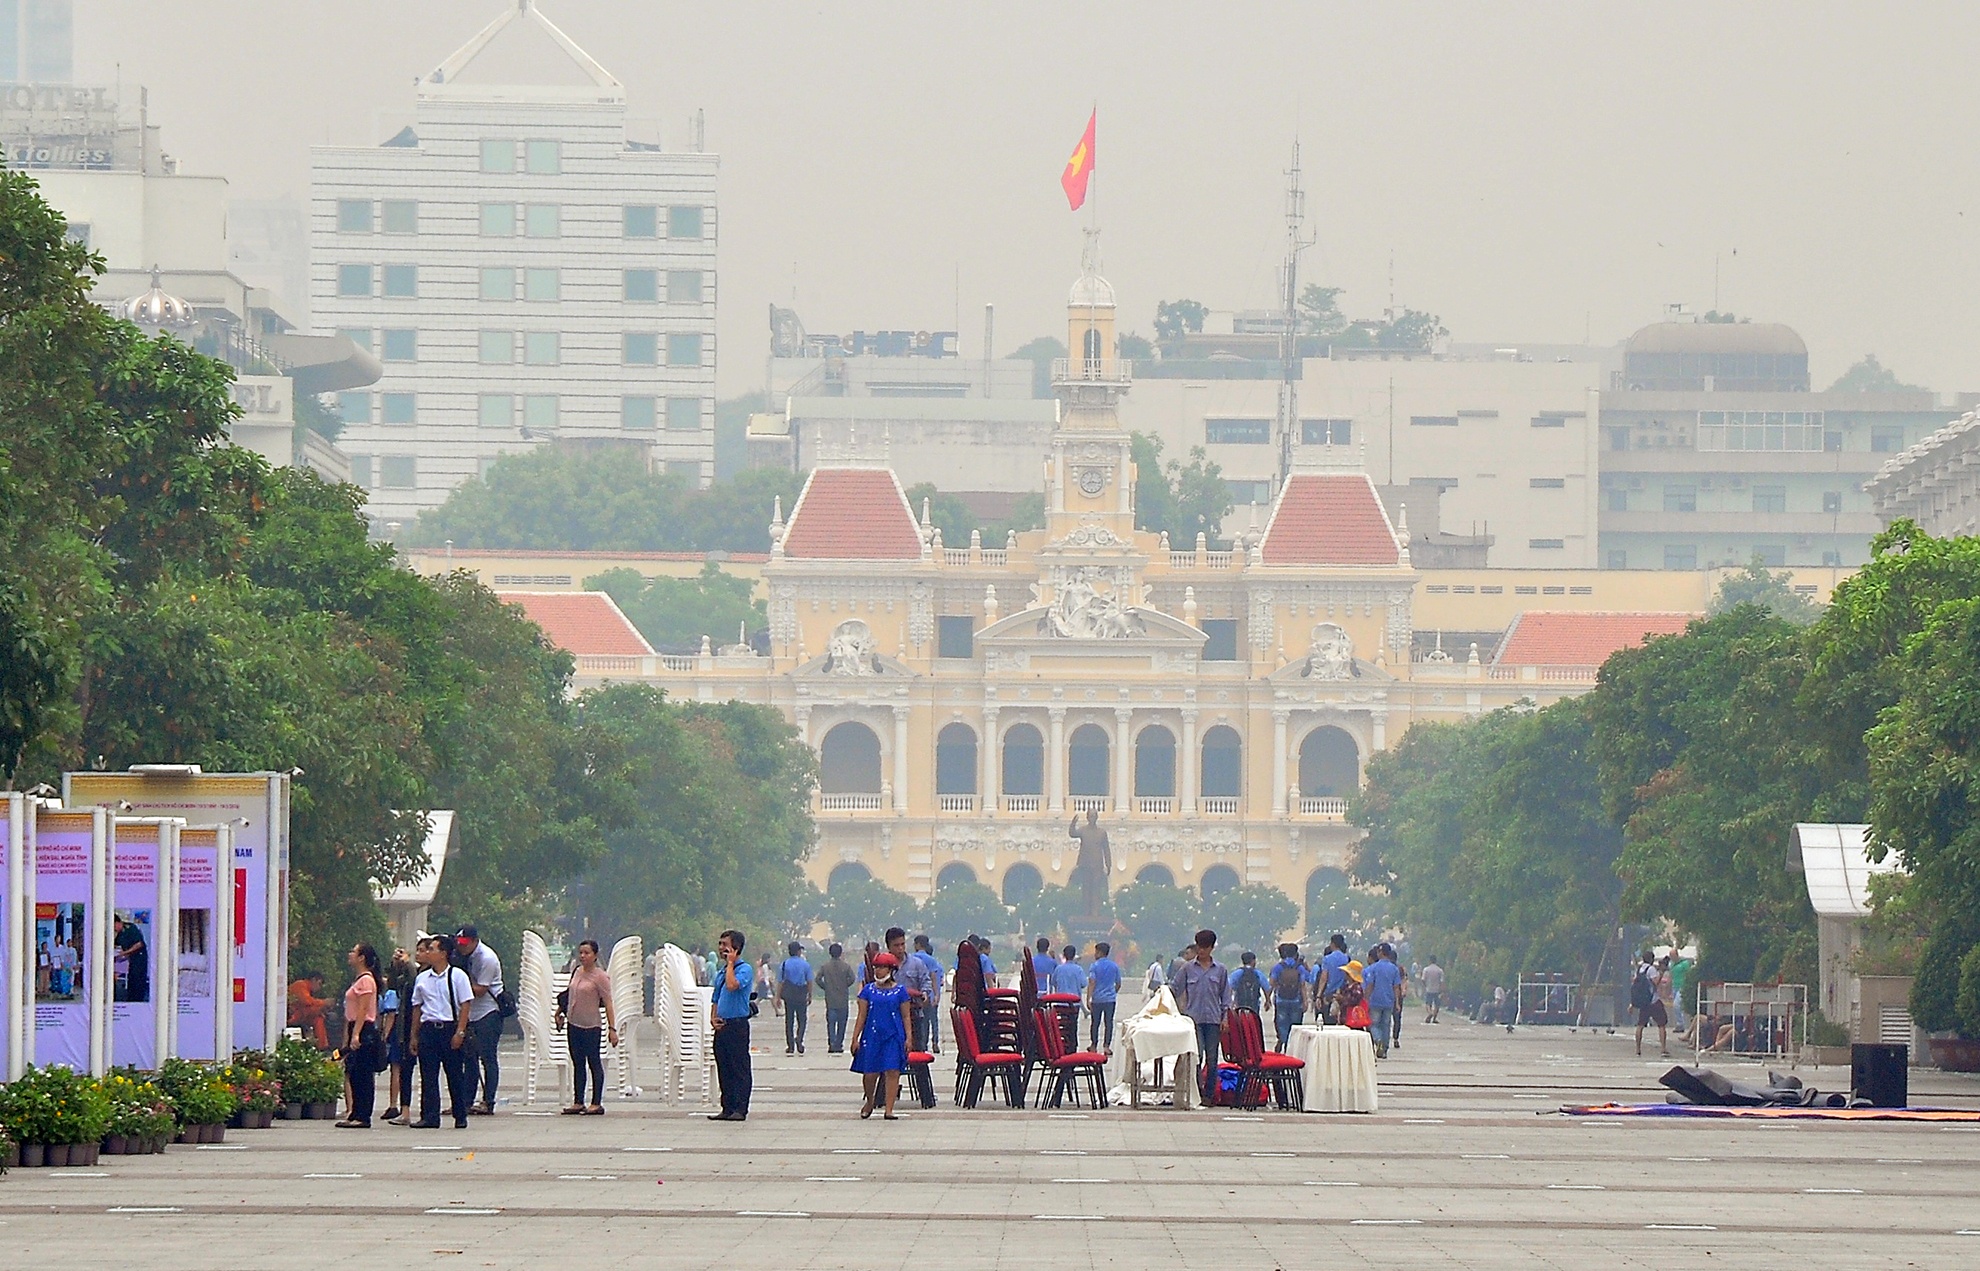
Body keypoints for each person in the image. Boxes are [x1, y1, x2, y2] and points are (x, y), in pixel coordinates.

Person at [409, 936, 473, 1130]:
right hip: (429, 1029)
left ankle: (460, 1114)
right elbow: (417, 1007)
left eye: (432, 949)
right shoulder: (422, 978)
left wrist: (460, 1032)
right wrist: (414, 1035)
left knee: (455, 1075)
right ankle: (430, 1116)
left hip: (449, 1028)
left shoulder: (457, 976)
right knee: (428, 1075)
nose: (428, 953)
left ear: (444, 953)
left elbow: (465, 1005)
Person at [556, 939, 619, 1115]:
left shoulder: (600, 977)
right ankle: (578, 1101)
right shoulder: (577, 971)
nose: (583, 956)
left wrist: (612, 1029)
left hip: (591, 1025)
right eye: (581, 953)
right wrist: (559, 1012)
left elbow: (608, 1003)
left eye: (587, 953)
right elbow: (569, 995)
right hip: (573, 1023)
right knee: (577, 1062)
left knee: (593, 1061)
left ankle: (596, 1102)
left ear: (595, 955)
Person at [850, 951, 914, 1119]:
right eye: (876, 967)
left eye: (882, 967)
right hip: (872, 1035)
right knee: (870, 1073)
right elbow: (861, 1016)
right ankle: (870, 1100)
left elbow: (906, 1016)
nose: (879, 971)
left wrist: (908, 1037)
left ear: (891, 970)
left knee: (892, 1071)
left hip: (893, 1036)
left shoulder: (900, 992)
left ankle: (889, 1109)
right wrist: (855, 1038)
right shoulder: (868, 991)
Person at [1170, 930, 1231, 1099]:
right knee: (1196, 1057)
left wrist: (1225, 1018)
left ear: (1212, 948)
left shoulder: (1220, 970)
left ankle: (1209, 1095)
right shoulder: (1187, 968)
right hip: (1193, 1020)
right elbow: (1175, 988)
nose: (1202, 951)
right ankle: (1196, 1092)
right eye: (1199, 947)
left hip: (1213, 1020)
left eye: (1205, 947)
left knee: (1212, 1059)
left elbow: (1226, 997)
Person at [452, 926, 505, 1115]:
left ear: (475, 941)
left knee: (488, 1057)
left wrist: (458, 983)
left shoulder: (486, 958)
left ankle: (488, 1100)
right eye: (459, 943)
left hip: (488, 1012)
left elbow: (481, 989)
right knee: (469, 1059)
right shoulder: (462, 956)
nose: (462, 947)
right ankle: (466, 1101)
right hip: (470, 1013)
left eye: (465, 944)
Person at [709, 929, 754, 1121]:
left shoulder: (744, 969)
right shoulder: (721, 972)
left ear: (736, 948)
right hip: (723, 1025)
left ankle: (740, 1108)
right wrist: (713, 1017)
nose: (721, 948)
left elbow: (732, 985)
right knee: (724, 1067)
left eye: (725, 945)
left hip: (737, 1024)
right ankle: (727, 1107)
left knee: (739, 1067)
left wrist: (730, 964)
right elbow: (716, 997)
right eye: (720, 944)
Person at [337, 943, 383, 1128]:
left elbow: (363, 1010)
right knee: (354, 1072)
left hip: (363, 1028)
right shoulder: (358, 980)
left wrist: (356, 1034)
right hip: (354, 1026)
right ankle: (355, 1112)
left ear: (362, 957)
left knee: (363, 1073)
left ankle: (363, 1115)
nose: (350, 954)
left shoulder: (366, 981)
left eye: (353, 952)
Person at [381, 947, 414, 1124]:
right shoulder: (399, 985)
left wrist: (385, 1035)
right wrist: (395, 965)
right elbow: (394, 984)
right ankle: (399, 1106)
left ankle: (396, 1104)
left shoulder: (415, 977)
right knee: (401, 1069)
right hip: (402, 1029)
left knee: (398, 1068)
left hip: (403, 1029)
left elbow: (391, 1014)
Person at [1363, 945, 1402, 1059]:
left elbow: (1370, 985)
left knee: (1373, 1024)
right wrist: (1397, 1002)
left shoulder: (1374, 968)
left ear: (1380, 952)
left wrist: (1366, 999)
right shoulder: (1394, 969)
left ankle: (1378, 1039)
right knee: (1386, 1025)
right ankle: (1384, 1049)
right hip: (1389, 1001)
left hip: (1375, 1000)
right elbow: (1396, 987)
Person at [909, 935, 945, 1053]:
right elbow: (933, 977)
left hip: (914, 996)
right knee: (930, 1021)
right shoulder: (931, 960)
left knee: (916, 1021)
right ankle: (932, 1042)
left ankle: (919, 1045)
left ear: (918, 944)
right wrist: (936, 994)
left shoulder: (911, 959)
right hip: (928, 996)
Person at [818, 942, 856, 1054]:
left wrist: (826, 987)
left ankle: (832, 1043)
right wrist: (845, 985)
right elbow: (852, 978)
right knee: (842, 1023)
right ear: (840, 953)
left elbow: (818, 979)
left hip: (830, 999)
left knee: (831, 1022)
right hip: (843, 998)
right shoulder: (846, 966)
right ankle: (839, 1044)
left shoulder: (825, 967)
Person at [1269, 943, 1308, 1051]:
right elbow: (1302, 985)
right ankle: (1290, 1047)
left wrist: (1268, 998)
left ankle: (1283, 1041)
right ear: (1296, 954)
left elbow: (1271, 983)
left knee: (1282, 1024)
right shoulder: (1299, 967)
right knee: (1295, 1025)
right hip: (1296, 1000)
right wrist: (1305, 1001)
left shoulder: (1278, 967)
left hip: (1281, 999)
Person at [777, 941, 814, 1055]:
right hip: (801, 994)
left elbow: (780, 982)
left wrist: (777, 997)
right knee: (802, 1019)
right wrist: (810, 995)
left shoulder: (784, 964)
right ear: (798, 951)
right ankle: (799, 1039)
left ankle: (790, 1045)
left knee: (789, 1020)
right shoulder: (805, 964)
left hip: (789, 995)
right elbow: (809, 981)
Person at [1631, 952, 1668, 1057]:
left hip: (1644, 1002)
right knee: (1661, 1024)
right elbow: (1656, 982)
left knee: (1640, 1025)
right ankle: (1663, 1049)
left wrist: (1632, 1003)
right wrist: (1661, 972)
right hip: (1653, 1001)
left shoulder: (1639, 969)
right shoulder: (1651, 969)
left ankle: (1638, 1050)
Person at [1087, 942, 1122, 1052]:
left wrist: (1088, 998)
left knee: (1095, 1023)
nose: (1095, 954)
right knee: (1109, 1023)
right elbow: (1118, 983)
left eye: (1096, 952)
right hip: (1110, 1000)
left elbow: (1092, 982)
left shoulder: (1094, 966)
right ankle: (1106, 1046)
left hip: (1097, 999)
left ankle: (1093, 1045)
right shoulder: (1114, 966)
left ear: (1100, 952)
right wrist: (1113, 993)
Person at [1050, 944, 1088, 1038]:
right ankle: (1073, 1042)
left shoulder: (1059, 969)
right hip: (1075, 1004)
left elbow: (1053, 982)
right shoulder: (1078, 969)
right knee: (1073, 1024)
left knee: (1063, 1023)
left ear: (1064, 955)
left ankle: (1063, 1040)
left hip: (1061, 1003)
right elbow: (1084, 983)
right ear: (1074, 955)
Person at [288, 972, 330, 1049]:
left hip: (300, 1015)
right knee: (316, 1014)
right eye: (319, 984)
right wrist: (323, 1003)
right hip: (292, 1016)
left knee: (318, 1017)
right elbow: (307, 1001)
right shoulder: (300, 985)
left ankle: (322, 1045)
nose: (319, 988)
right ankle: (321, 1046)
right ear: (313, 980)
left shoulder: (307, 989)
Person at [114, 915, 148, 1002]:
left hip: (139, 957)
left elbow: (139, 944)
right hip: (130, 959)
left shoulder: (131, 928)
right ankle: (131, 999)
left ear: (118, 923)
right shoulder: (120, 934)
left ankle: (138, 1000)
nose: (114, 929)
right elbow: (117, 945)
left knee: (138, 979)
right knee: (131, 979)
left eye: (114, 926)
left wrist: (125, 953)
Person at [1319, 935, 1350, 1024]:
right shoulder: (1347, 958)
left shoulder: (1327, 959)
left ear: (1332, 944)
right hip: (1343, 994)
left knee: (1329, 1023)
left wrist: (1319, 994)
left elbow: (1324, 978)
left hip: (1330, 994)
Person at [1669, 950, 1695, 1038]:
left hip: (1682, 986)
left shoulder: (1684, 963)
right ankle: (1680, 1024)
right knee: (1677, 1006)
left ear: (1676, 955)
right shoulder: (1672, 964)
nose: (1672, 958)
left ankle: (1680, 1023)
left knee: (1676, 1004)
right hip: (1675, 986)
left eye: (1672, 955)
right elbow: (1671, 975)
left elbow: (1689, 974)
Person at [1420, 956, 1446, 1024]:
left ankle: (1430, 1013)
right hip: (1437, 989)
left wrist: (1425, 985)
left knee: (1428, 1003)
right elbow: (1442, 981)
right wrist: (1442, 990)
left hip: (1429, 989)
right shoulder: (1440, 970)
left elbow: (1423, 979)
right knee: (1437, 1004)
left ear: (1430, 961)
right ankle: (1434, 1018)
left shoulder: (1426, 969)